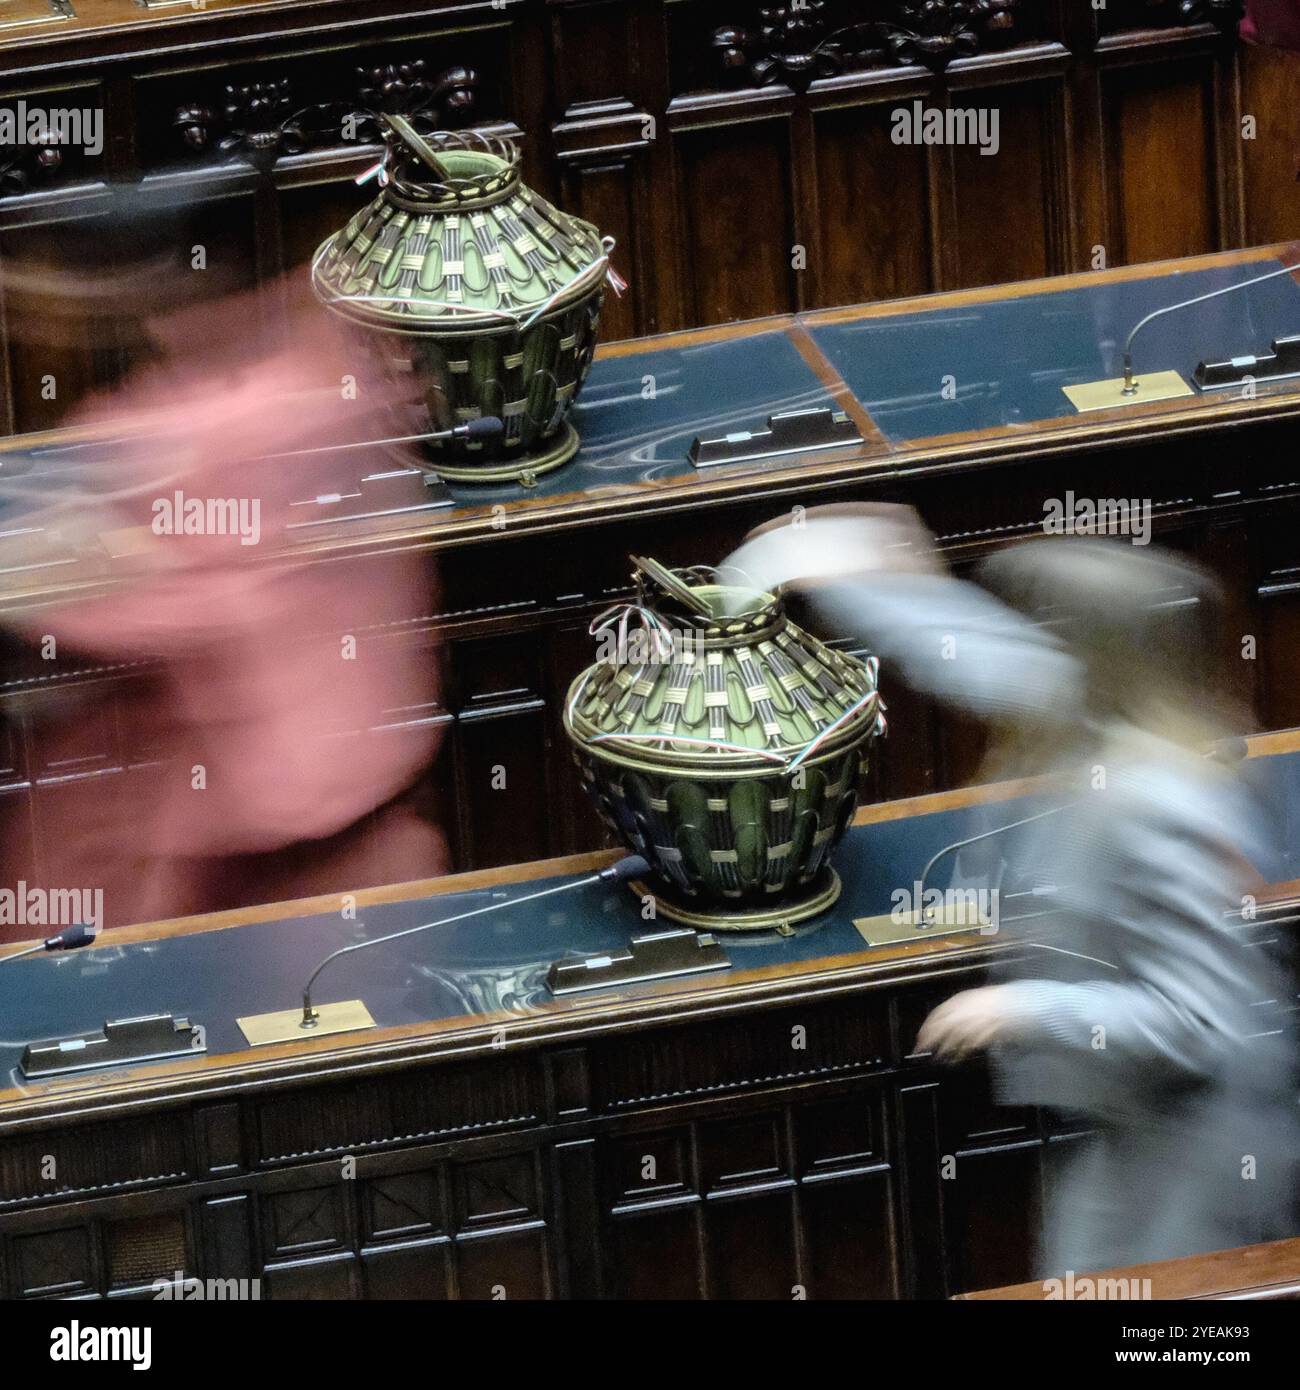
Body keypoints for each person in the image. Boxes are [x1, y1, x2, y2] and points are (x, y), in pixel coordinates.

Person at [722, 505, 1299, 1276]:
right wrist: (869, 576)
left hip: (1202, 1144)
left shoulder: (1162, 802)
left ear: (1090, 653)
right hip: (1134, 1122)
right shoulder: (1090, 703)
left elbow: (1199, 1020)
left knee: (1166, 1340)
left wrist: (1020, 1008)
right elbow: (972, 657)